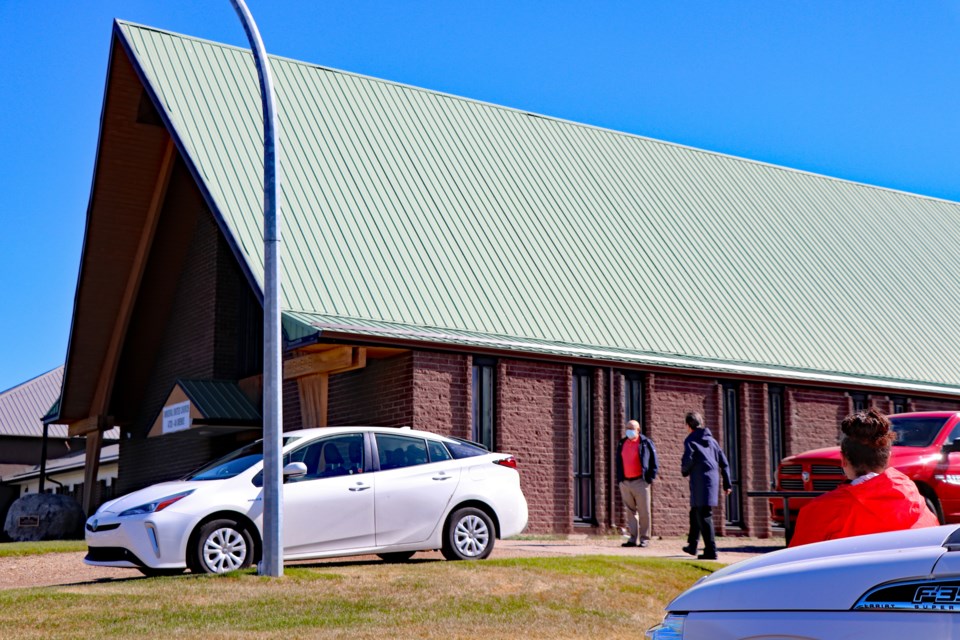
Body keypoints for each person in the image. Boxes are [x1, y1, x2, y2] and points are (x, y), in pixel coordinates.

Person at [789, 409, 939, 547]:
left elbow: (792, 567)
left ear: (843, 460)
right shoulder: (919, 504)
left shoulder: (820, 511)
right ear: (888, 458)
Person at [681, 411, 732, 560]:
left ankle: (711, 551)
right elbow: (724, 462)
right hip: (712, 481)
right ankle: (692, 545)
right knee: (695, 512)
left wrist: (684, 471)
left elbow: (687, 459)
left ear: (689, 425)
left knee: (704, 515)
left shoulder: (690, 440)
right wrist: (727, 483)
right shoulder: (713, 441)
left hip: (700, 481)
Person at [615, 419, 659, 547]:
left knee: (644, 511)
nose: (629, 430)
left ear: (638, 430)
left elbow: (654, 462)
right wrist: (620, 480)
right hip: (625, 482)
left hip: (641, 481)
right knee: (630, 511)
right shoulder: (622, 443)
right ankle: (633, 538)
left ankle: (645, 538)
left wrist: (649, 479)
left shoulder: (645, 443)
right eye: (627, 428)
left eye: (632, 428)